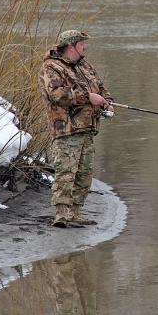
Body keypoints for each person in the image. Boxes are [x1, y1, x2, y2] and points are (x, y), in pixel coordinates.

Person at [39, 30, 114, 228]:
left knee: (84, 173)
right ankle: (61, 214)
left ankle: (75, 213)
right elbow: (58, 95)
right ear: (71, 46)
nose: (85, 47)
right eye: (82, 44)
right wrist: (88, 97)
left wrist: (107, 102)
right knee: (66, 172)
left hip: (88, 128)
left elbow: (101, 88)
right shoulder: (51, 67)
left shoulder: (85, 66)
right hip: (66, 130)